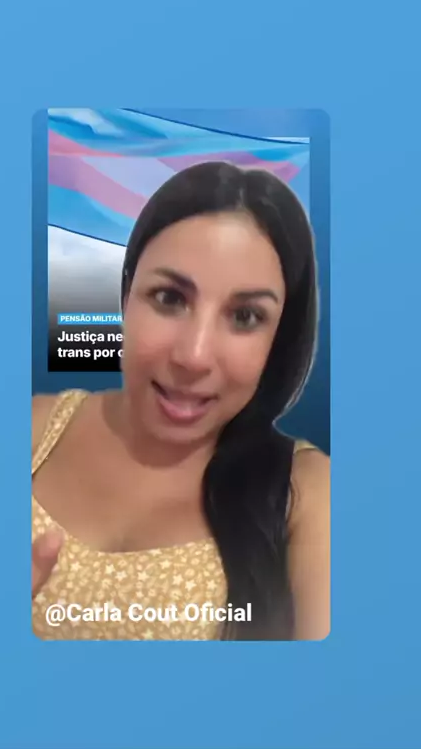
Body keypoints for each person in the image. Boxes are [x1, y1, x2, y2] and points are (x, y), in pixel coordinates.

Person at [32, 161, 330, 641]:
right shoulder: (29, 431)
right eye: (170, 298)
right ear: (126, 295)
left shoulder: (308, 495)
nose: (193, 356)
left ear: (279, 338)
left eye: (246, 316)